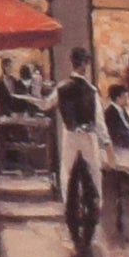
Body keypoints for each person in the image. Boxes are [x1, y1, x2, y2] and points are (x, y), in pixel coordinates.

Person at [49, 46, 111, 207]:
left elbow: (46, 104)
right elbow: (99, 121)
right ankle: (98, 203)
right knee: (94, 169)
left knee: (66, 170)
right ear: (84, 64)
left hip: (70, 134)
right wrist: (106, 142)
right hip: (88, 134)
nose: (87, 66)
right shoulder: (91, 90)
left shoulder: (61, 88)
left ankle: (67, 204)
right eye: (87, 62)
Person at [105, 83, 129, 149]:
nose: (128, 100)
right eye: (126, 97)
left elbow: (128, 124)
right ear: (118, 98)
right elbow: (116, 133)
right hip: (121, 145)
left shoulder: (122, 109)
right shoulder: (110, 113)